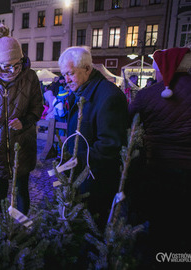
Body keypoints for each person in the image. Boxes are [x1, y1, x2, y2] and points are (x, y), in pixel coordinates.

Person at [128, 47, 191, 264]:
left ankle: (158, 260)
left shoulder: (147, 95)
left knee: (159, 225)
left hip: (157, 169)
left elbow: (127, 121)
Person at [0, 24, 43, 215]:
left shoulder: (30, 77)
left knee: (22, 189)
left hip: (22, 143)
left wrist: (26, 121)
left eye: (17, 65)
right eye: (6, 67)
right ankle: (0, 228)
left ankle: (22, 229)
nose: (13, 70)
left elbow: (38, 107)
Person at [58, 46, 128, 227]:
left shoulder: (108, 96)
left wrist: (77, 161)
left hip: (95, 181)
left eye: (70, 73)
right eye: (64, 74)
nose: (66, 80)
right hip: (79, 177)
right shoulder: (79, 92)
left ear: (87, 69)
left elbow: (109, 145)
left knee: (91, 229)